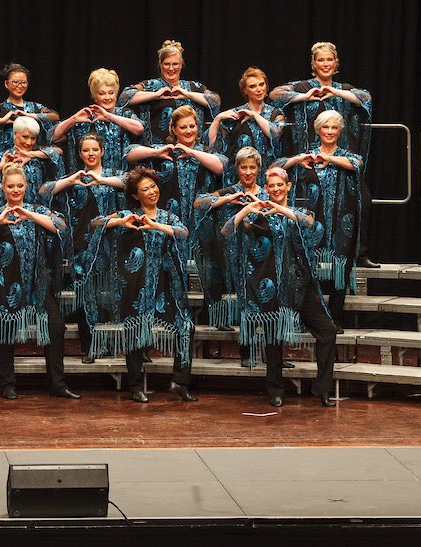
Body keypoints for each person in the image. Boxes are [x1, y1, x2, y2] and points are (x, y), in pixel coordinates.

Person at [222, 166, 337, 407]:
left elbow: (308, 223)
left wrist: (281, 210)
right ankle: (275, 389)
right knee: (273, 338)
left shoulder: (298, 211)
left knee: (327, 331)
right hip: (271, 286)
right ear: (266, 189)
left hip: (300, 285)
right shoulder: (259, 215)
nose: (275, 189)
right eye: (271, 186)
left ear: (288, 186)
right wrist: (246, 210)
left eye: (279, 185)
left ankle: (322, 388)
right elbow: (227, 230)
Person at [83, 166, 195, 403]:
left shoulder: (167, 217)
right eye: (145, 189)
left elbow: (183, 233)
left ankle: (180, 381)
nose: (152, 191)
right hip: (134, 283)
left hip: (165, 284)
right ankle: (135, 386)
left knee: (185, 327)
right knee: (135, 331)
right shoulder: (127, 215)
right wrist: (120, 222)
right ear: (136, 195)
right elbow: (95, 223)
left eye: (153, 186)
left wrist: (155, 226)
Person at [0, 164, 78, 400]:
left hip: (36, 285)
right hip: (6, 284)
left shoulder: (36, 210)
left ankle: (57, 383)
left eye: (19, 185)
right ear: (3, 189)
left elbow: (61, 227)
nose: (16, 190)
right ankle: (7, 383)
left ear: (26, 186)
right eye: (11, 186)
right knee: (5, 329)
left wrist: (30, 215)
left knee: (56, 326)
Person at [270, 41, 376, 268]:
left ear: (336, 63)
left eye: (329, 60)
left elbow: (365, 98)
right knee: (313, 207)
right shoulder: (303, 86)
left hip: (341, 159)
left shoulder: (343, 88)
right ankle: (312, 254)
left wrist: (333, 91)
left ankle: (358, 252)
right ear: (313, 64)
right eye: (320, 60)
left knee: (361, 201)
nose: (325, 64)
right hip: (312, 162)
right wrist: (306, 96)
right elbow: (275, 94)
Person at [40, 133, 126, 362]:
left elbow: (129, 181)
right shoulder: (74, 178)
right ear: (79, 154)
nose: (90, 154)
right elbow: (44, 191)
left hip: (110, 244)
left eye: (94, 149)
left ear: (102, 151)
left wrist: (100, 181)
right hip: (80, 245)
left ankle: (108, 343)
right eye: (86, 150)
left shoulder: (112, 175)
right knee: (84, 295)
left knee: (105, 294)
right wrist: (71, 180)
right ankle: (90, 346)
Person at [276, 110, 363, 333]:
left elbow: (357, 164)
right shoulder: (308, 157)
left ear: (340, 131)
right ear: (318, 130)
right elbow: (275, 167)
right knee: (307, 266)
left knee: (339, 268)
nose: (330, 132)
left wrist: (329, 158)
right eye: (326, 127)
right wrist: (297, 159)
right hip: (313, 222)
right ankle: (311, 317)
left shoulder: (346, 155)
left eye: (334, 127)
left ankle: (335, 318)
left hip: (341, 220)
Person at [192, 147, 269, 333]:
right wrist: (228, 199)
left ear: (258, 168)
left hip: (258, 254)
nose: (248, 172)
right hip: (229, 251)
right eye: (244, 167)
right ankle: (228, 328)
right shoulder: (229, 191)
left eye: (252, 167)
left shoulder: (266, 195)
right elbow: (198, 202)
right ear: (237, 169)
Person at [126, 105, 226, 231]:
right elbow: (129, 154)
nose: (188, 131)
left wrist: (192, 152)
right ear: (174, 129)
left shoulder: (207, 153)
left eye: (192, 126)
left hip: (202, 220)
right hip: (170, 220)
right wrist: (156, 153)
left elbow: (221, 167)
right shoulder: (166, 151)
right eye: (183, 127)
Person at [120, 40, 220, 146]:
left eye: (175, 64)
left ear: (181, 65)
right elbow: (124, 97)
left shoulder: (193, 87)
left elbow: (215, 100)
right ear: (160, 65)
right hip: (157, 150)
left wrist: (187, 94)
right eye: (167, 64)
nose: (171, 68)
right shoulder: (150, 85)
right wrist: (155, 95)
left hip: (191, 149)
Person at [53, 68, 143, 172]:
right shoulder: (86, 117)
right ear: (95, 97)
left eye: (111, 93)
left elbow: (139, 129)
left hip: (121, 177)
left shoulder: (125, 114)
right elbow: (55, 137)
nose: (107, 97)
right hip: (91, 178)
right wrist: (73, 119)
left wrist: (109, 116)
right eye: (102, 93)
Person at [208, 67, 284, 187]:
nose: (259, 89)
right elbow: (211, 145)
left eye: (261, 84)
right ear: (245, 91)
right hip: (239, 178)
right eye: (253, 86)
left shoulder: (275, 113)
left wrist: (254, 115)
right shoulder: (236, 114)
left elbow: (275, 135)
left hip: (266, 177)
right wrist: (217, 119)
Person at [0, 116, 63, 205]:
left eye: (33, 138)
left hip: (36, 211)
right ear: (15, 134)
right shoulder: (5, 156)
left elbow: (58, 151)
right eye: (25, 137)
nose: (29, 142)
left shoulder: (40, 155)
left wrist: (31, 155)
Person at [0, 63, 59, 153]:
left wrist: (30, 115)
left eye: (23, 83)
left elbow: (55, 116)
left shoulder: (34, 107)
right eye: (15, 82)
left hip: (32, 157)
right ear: (6, 84)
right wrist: (1, 120)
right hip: (6, 159)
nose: (20, 86)